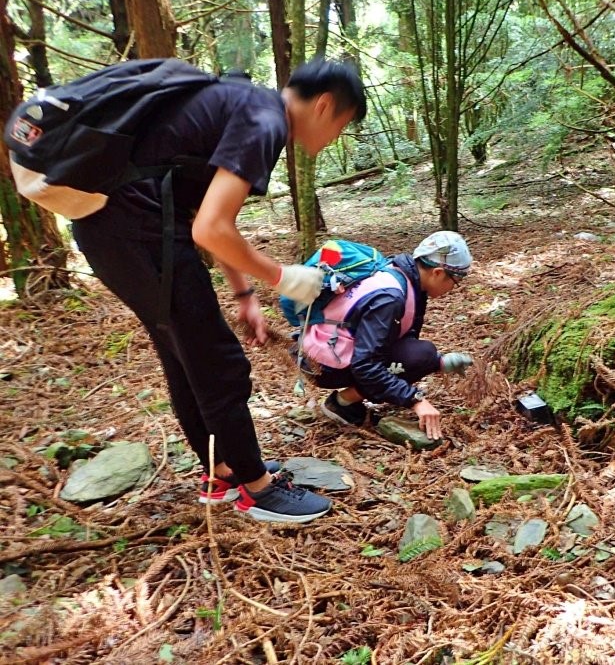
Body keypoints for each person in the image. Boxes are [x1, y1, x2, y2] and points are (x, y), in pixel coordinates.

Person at [70, 58, 366, 524]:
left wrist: (244, 294)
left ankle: (221, 473)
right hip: (137, 230)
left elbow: (204, 214)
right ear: (325, 106)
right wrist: (284, 277)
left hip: (115, 230)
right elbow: (211, 229)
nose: (334, 139)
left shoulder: (248, 105)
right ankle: (257, 489)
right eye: (342, 126)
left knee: (186, 356)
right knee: (217, 362)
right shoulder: (267, 120)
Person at [295, 231, 475, 441]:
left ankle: (349, 398)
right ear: (437, 272)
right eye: (456, 280)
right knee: (421, 355)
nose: (454, 287)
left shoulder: (404, 276)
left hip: (329, 349)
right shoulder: (390, 298)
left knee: (423, 355)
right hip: (324, 364)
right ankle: (341, 403)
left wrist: (439, 363)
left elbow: (397, 341)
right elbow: (366, 366)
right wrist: (415, 400)